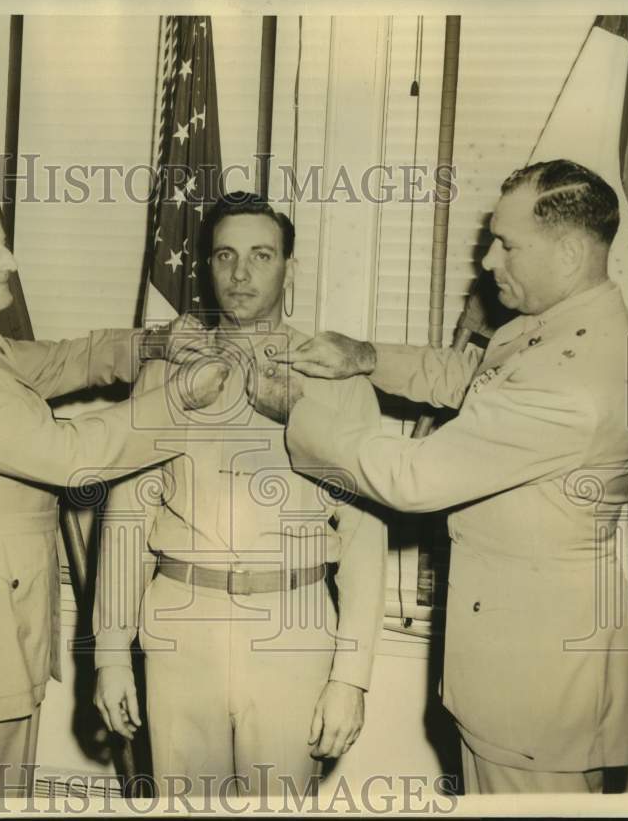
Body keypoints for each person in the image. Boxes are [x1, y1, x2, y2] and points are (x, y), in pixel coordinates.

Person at [248, 160, 628, 794]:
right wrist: (367, 356)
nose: (489, 262)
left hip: (538, 694)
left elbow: (412, 477)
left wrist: (296, 412)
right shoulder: (557, 332)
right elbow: (469, 379)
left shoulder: (572, 380)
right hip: (531, 667)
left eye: (507, 244)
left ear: (571, 252)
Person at [0, 184, 228, 797]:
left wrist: (151, 343)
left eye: (5, 247)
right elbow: (72, 458)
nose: (10, 263)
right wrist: (180, 401)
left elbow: (64, 362)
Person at [93, 192, 385, 801]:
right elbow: (125, 520)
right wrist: (111, 653)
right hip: (180, 622)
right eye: (225, 255)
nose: (241, 273)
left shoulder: (334, 377)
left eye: (261, 255)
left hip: (293, 622)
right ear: (206, 266)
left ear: (290, 268)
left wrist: (350, 678)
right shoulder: (166, 373)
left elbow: (363, 543)